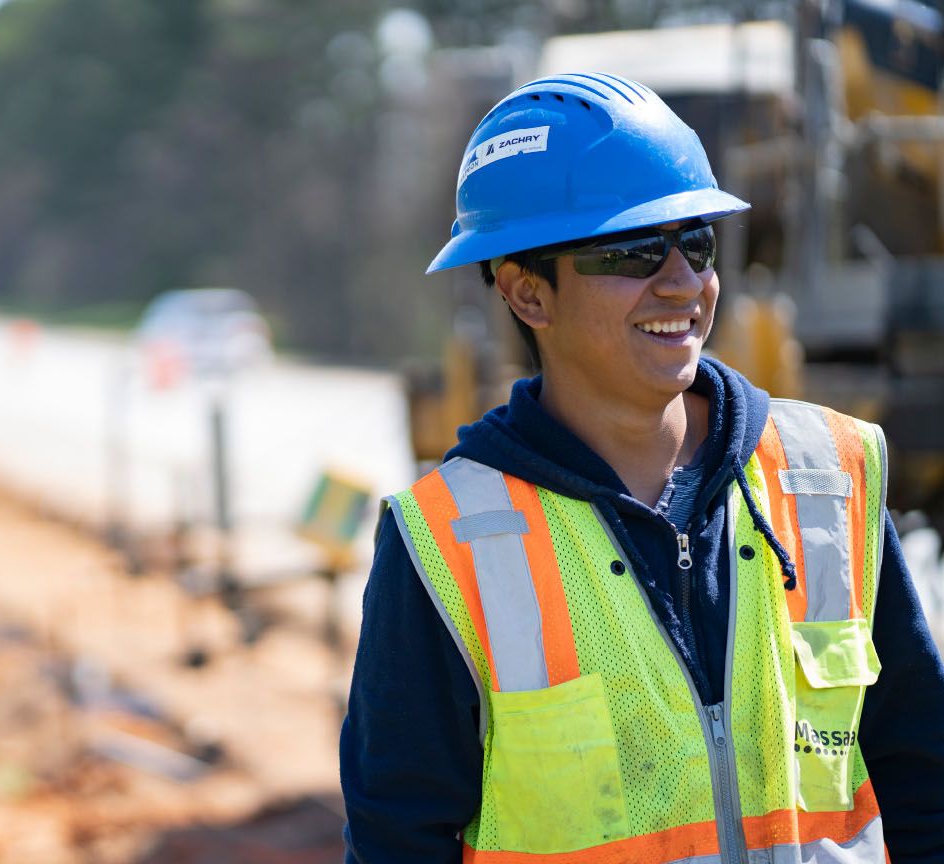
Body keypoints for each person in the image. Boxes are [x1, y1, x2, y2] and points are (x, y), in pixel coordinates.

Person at [339, 72, 944, 862]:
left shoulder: (829, 475)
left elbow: (922, 781)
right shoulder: (447, 546)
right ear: (527, 294)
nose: (685, 281)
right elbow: (398, 839)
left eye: (697, 242)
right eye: (633, 251)